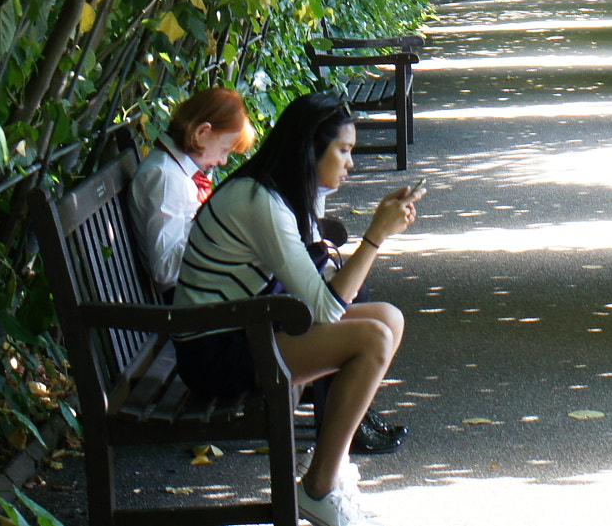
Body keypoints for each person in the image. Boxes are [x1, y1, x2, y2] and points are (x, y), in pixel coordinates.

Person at [173, 92, 421, 526]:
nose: (350, 164)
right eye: (343, 151)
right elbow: (325, 309)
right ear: (311, 150)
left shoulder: (289, 191)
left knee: (389, 319)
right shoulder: (261, 201)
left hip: (247, 328)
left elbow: (321, 289)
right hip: (215, 351)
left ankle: (328, 473)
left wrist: (371, 237)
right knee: (373, 337)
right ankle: (317, 490)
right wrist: (375, 237)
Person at [129, 88, 256, 293]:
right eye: (224, 150)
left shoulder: (180, 173)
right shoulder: (166, 177)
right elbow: (164, 271)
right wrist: (215, 230)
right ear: (201, 133)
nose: (223, 161)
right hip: (184, 300)